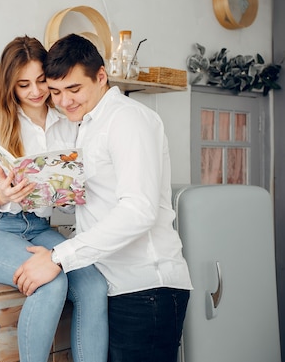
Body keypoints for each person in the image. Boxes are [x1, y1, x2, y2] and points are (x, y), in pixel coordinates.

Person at [13, 33, 193, 362]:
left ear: (101, 76)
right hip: (116, 285)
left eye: (74, 89)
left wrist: (57, 257)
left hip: (146, 289)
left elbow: (139, 211)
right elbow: (98, 200)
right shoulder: (87, 125)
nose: (64, 101)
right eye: (55, 92)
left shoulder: (127, 119)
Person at [0, 35, 108, 362]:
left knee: (94, 286)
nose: (35, 92)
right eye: (23, 84)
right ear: (10, 86)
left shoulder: (67, 122)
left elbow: (71, 198)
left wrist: (66, 192)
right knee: (51, 282)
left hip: (39, 227)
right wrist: (2, 194)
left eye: (41, 81)